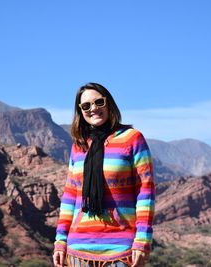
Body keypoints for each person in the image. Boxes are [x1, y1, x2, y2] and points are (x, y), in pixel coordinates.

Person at [53, 83, 155, 267]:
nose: (93, 109)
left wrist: (142, 239)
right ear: (80, 111)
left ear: (109, 104)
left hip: (120, 251)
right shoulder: (79, 145)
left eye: (99, 102)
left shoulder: (132, 138)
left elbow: (145, 192)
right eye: (86, 106)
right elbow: (69, 197)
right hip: (78, 252)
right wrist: (60, 241)